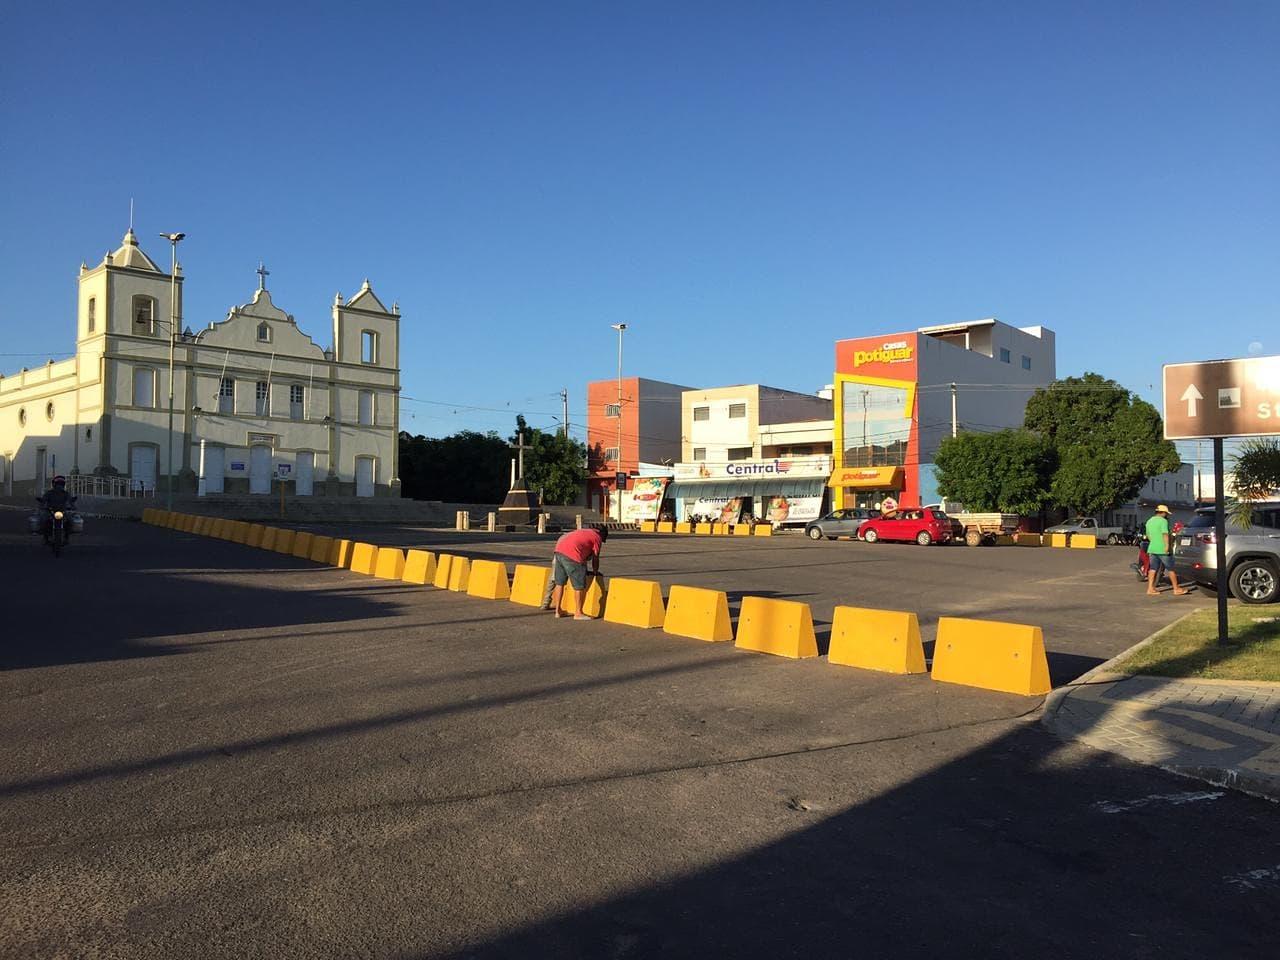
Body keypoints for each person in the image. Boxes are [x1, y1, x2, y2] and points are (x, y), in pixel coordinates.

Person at [545, 525, 608, 619]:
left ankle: (558, 611)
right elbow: (595, 558)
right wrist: (595, 572)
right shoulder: (597, 537)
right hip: (572, 555)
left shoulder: (584, 531)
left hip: (559, 551)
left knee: (560, 583)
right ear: (602, 534)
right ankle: (578, 613)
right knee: (579, 586)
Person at [1144, 504, 1188, 597]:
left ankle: (1150, 588)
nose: (1166, 515)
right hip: (1163, 548)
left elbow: (1148, 535)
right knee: (1171, 569)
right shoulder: (1163, 521)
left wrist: (1154, 542)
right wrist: (1167, 546)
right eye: (1166, 513)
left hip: (1152, 548)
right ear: (1162, 513)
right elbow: (1165, 534)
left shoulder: (1149, 521)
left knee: (1153, 569)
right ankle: (1176, 589)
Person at [36, 475, 75, 543]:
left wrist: (72, 506)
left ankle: (66, 537)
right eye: (58, 484)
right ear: (54, 484)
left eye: (61, 484)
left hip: (62, 512)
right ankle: (45, 538)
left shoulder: (66, 493)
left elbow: (70, 500)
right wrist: (42, 504)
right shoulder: (49, 493)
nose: (59, 486)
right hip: (51, 511)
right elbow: (43, 500)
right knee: (44, 520)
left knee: (70, 521)